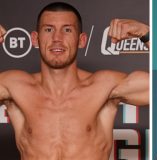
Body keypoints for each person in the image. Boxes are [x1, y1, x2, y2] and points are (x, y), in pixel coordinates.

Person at [0, 2, 149, 160]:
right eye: (49, 29)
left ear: (82, 40)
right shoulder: (15, 86)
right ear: (35, 39)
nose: (57, 38)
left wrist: (146, 33)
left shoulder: (103, 86)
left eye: (67, 30)